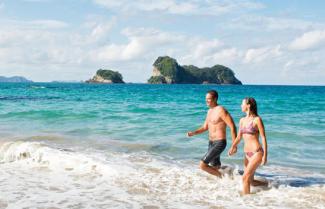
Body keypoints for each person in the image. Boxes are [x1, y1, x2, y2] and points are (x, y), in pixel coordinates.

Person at [187, 90, 237, 178]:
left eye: (209, 99)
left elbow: (232, 126)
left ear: (215, 99)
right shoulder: (209, 111)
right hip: (211, 143)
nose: (206, 101)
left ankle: (225, 178)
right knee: (215, 167)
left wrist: (234, 145)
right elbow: (205, 127)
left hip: (219, 142)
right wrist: (193, 133)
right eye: (206, 99)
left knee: (202, 165)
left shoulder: (221, 110)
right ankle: (226, 178)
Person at [228, 97, 268, 195]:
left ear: (248, 105)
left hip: (257, 152)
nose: (241, 106)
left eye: (242, 104)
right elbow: (239, 137)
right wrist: (233, 146)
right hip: (247, 154)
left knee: (244, 178)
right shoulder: (242, 120)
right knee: (250, 181)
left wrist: (265, 156)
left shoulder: (257, 120)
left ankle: (246, 202)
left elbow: (263, 138)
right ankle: (268, 186)